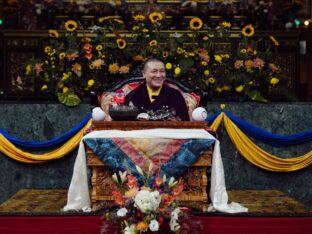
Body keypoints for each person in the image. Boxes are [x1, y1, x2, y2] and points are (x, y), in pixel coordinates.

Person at [124, 58, 190, 121]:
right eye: (154, 71)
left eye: (162, 71)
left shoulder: (175, 95)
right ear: (144, 74)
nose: (158, 75)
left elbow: (184, 124)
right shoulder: (134, 96)